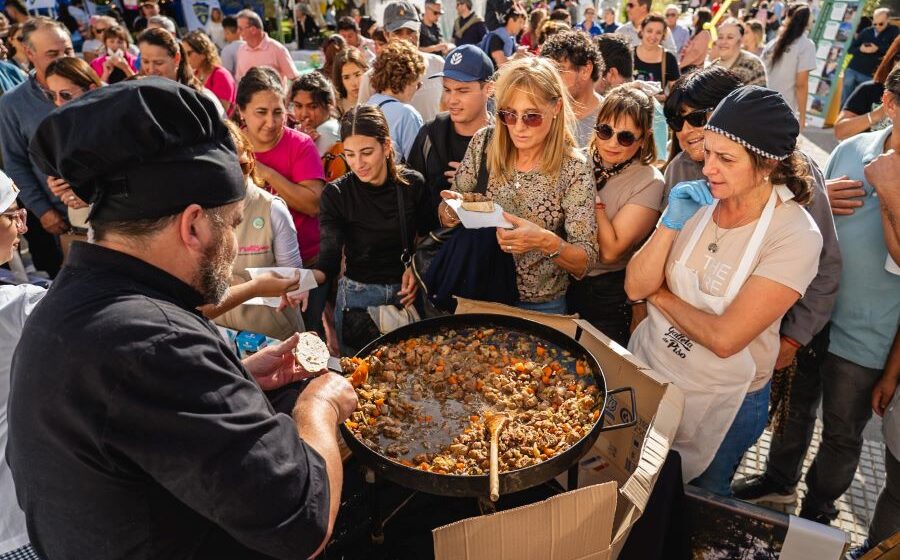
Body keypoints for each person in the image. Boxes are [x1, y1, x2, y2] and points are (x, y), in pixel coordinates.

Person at [11, 78, 357, 560]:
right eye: (233, 225)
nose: (234, 243)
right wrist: (318, 406)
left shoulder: (69, 303)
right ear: (193, 224)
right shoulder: (155, 343)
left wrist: (236, 381)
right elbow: (303, 522)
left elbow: (148, 428)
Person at [626, 85, 823, 491]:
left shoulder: (795, 235)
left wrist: (659, 296)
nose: (708, 168)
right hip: (654, 370)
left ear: (768, 164)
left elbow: (725, 338)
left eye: (726, 159)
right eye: (708, 152)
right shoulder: (699, 200)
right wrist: (670, 223)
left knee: (690, 504)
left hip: (722, 402)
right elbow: (634, 286)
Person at [733, 67, 900, 526]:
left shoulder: (886, 170)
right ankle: (778, 483)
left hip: (872, 331)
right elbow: (806, 207)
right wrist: (821, 192)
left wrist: (888, 190)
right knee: (793, 409)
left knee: (843, 433)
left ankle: (818, 510)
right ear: (889, 103)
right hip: (813, 313)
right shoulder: (850, 149)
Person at [439, 57, 599, 314]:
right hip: (480, 293)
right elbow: (448, 213)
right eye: (508, 115)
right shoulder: (484, 143)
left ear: (556, 107)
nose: (519, 127)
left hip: (540, 307)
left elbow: (585, 260)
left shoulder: (573, 168)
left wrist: (543, 241)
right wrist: (451, 210)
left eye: (532, 117)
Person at [311, 105, 430, 354]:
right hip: (358, 298)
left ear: (386, 146)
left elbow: (429, 238)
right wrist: (300, 283)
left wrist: (416, 269)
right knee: (359, 381)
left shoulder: (412, 185)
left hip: (405, 294)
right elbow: (328, 261)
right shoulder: (337, 194)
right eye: (350, 154)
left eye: (366, 152)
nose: (358, 164)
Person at [235, 67, 328, 337]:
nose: (272, 122)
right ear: (242, 111)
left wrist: (267, 174)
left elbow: (313, 204)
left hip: (304, 268)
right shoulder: (233, 147)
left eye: (278, 112)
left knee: (307, 338)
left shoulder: (300, 145)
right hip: (247, 271)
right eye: (261, 112)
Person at [567, 85, 664, 346]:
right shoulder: (576, 160)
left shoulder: (649, 181)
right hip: (559, 280)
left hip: (604, 294)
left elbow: (611, 252)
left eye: (625, 137)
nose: (611, 143)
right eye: (605, 131)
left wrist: (592, 201)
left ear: (643, 139)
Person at [212, 120, 306, 339]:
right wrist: (250, 285)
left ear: (252, 162)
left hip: (273, 336)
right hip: (220, 337)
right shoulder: (196, 212)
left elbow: (294, 279)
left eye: (242, 167)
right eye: (225, 169)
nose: (235, 177)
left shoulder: (271, 209)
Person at [0, 17, 74, 277]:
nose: (63, 59)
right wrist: (42, 210)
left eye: (68, 50)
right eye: (53, 53)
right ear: (30, 54)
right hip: (59, 222)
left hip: (108, 214)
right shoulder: (13, 103)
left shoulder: (93, 86)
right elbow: (15, 162)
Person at [0, 172, 42, 560]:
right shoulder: (17, 307)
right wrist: (252, 288)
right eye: (13, 214)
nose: (23, 225)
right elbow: (125, 319)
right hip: (14, 524)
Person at [408, 44, 493, 230]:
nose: (451, 100)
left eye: (462, 91)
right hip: (436, 251)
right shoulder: (429, 134)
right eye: (447, 89)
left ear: (488, 89)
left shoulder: (506, 138)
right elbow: (410, 199)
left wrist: (477, 186)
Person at [357, 1, 444, 123]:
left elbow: (446, 109)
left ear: (419, 30)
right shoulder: (372, 78)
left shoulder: (438, 65)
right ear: (386, 35)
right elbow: (363, 124)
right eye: (398, 32)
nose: (406, 38)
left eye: (411, 31)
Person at [595, 32, 669, 161]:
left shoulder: (650, 110)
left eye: (625, 137)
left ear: (611, 73)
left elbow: (658, 162)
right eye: (605, 131)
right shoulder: (654, 109)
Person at [138, 28, 226, 116]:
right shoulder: (139, 98)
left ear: (176, 59)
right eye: (145, 61)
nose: (151, 69)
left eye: (158, 63)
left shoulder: (202, 99)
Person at [541, 30, 604, 148]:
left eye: (559, 71)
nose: (552, 79)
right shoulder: (540, 116)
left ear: (586, 70)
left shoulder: (611, 117)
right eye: (549, 72)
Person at [367, 39, 425, 160]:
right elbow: (419, 165)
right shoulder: (406, 114)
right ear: (407, 79)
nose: (417, 89)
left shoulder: (369, 104)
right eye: (417, 84)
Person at [834, 37, 900, 141]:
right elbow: (840, 131)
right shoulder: (869, 89)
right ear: (891, 59)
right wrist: (878, 113)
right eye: (898, 57)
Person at [761, 3, 815, 129]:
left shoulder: (774, 42)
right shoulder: (806, 45)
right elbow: (801, 84)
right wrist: (802, 117)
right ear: (807, 20)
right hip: (781, 110)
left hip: (760, 102)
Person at [842, 8, 898, 106]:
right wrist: (861, 49)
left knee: (862, 103)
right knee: (845, 101)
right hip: (853, 70)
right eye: (875, 24)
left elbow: (894, 51)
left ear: (888, 20)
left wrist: (878, 48)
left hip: (870, 74)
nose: (877, 26)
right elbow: (850, 49)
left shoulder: (894, 31)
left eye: (881, 24)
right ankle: (840, 121)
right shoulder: (866, 31)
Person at [234, 9, 298, 84]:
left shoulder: (277, 49)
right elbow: (239, 80)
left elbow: (294, 79)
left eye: (240, 28)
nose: (238, 31)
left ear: (253, 30)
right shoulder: (241, 50)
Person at [182, 30, 236, 114]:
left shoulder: (221, 75)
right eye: (183, 54)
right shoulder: (194, 75)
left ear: (203, 53)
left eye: (188, 53)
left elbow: (221, 112)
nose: (185, 58)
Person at [290, 71, 341, 157]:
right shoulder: (305, 133)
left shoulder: (325, 131)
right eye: (298, 106)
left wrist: (301, 146)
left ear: (329, 105)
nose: (304, 114)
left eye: (312, 106)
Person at [710, 18, 767, 87]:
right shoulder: (713, 67)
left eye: (730, 37)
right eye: (720, 37)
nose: (723, 42)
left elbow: (760, 96)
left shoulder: (753, 65)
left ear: (741, 40)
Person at [633, 13, 680, 92]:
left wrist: (663, 97)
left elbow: (676, 92)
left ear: (663, 35)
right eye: (649, 31)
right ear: (642, 30)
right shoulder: (629, 54)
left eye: (658, 33)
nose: (653, 36)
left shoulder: (669, 58)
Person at [480, 6, 527, 71]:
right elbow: (502, 65)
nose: (522, 26)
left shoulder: (511, 39)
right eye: (520, 22)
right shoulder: (496, 38)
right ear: (511, 20)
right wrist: (517, 55)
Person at [332, 46, 369, 115]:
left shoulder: (376, 102)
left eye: (357, 75)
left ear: (365, 72)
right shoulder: (335, 109)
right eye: (346, 77)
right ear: (340, 80)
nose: (354, 83)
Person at [679, 7, 712, 72]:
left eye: (695, 14)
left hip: (692, 70)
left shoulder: (704, 33)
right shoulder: (697, 32)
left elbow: (695, 53)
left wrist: (680, 66)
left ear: (701, 18)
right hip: (687, 68)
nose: (693, 16)